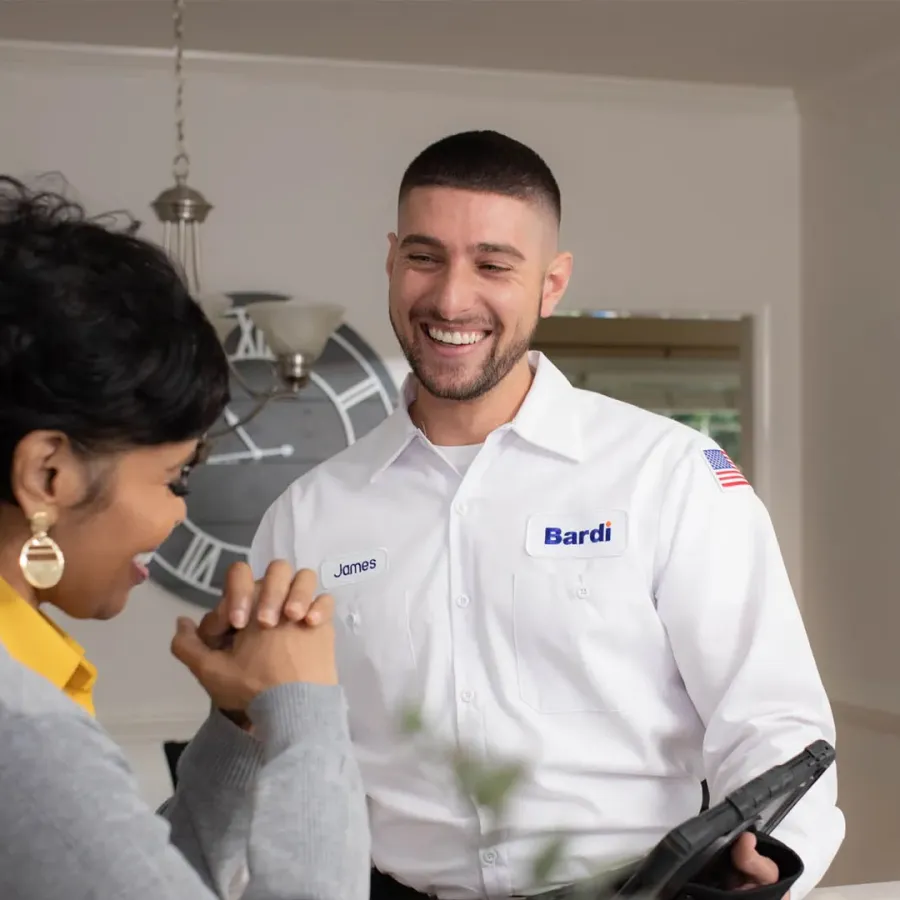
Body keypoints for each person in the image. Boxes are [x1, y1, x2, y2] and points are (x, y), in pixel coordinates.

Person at [243, 130, 844, 900]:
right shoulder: (307, 515)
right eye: (426, 258)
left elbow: (772, 718)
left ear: (551, 284)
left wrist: (774, 856)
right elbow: (282, 752)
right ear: (391, 261)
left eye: (494, 264)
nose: (452, 298)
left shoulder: (667, 474)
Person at [0, 176, 370, 900]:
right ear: (48, 473)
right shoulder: (21, 731)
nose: (175, 517)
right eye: (172, 478)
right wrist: (305, 712)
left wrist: (238, 727)